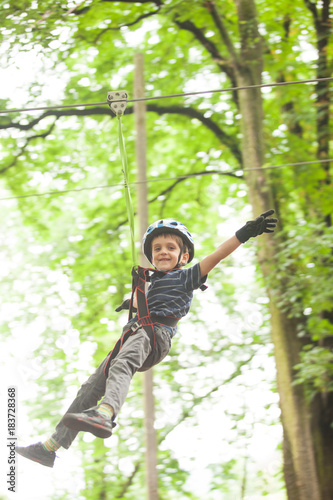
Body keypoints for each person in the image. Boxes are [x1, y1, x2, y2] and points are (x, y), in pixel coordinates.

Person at [16, 211, 277, 467]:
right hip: (136, 332)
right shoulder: (151, 284)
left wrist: (244, 233)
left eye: (171, 248)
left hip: (154, 335)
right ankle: (50, 448)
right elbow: (152, 302)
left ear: (183, 256)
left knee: (122, 366)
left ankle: (105, 414)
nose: (163, 252)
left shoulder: (186, 277)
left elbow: (217, 256)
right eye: (157, 248)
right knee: (89, 388)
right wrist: (132, 301)